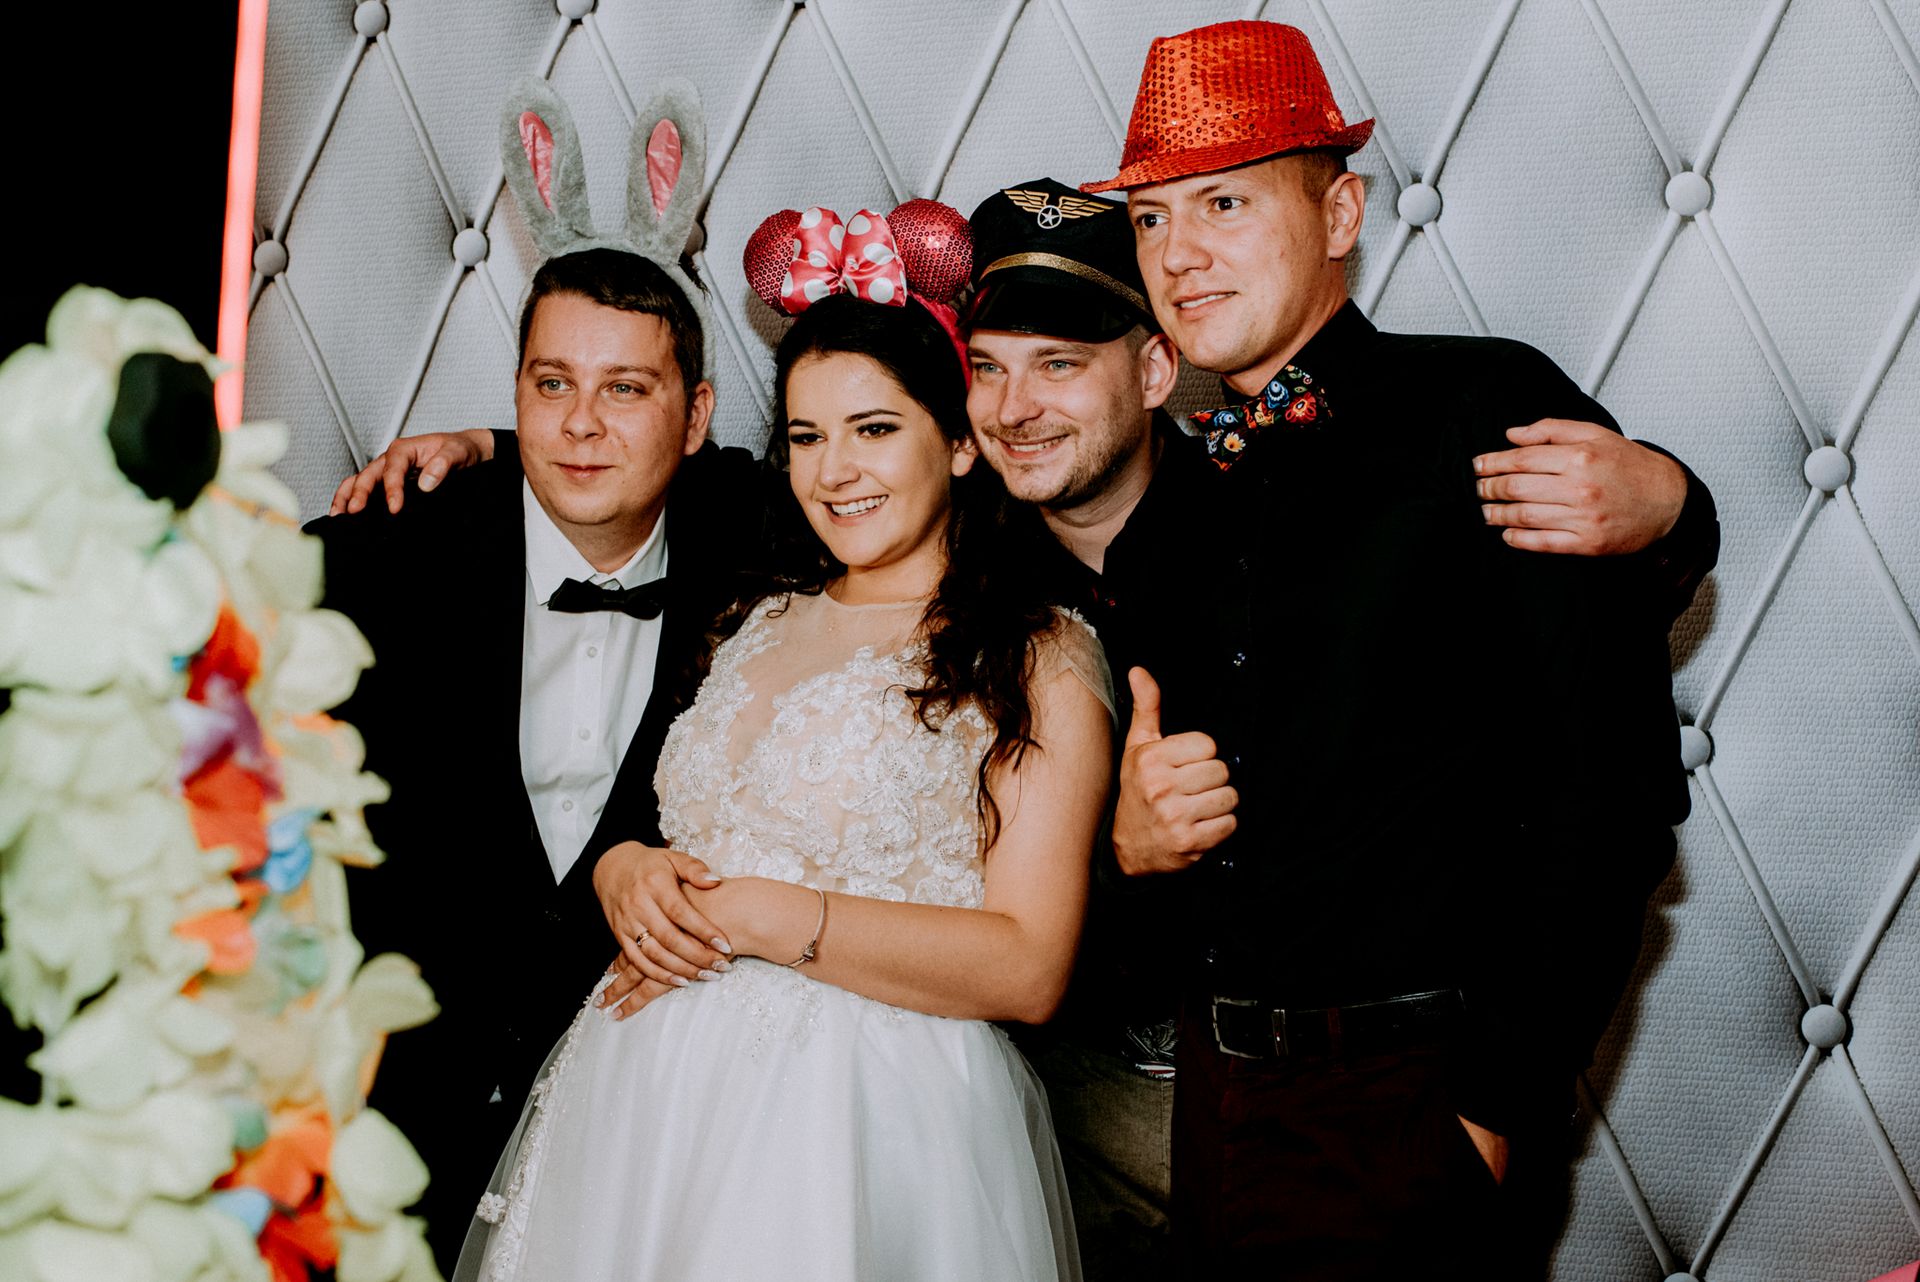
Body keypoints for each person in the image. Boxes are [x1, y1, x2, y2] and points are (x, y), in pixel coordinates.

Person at [333, 182, 1716, 1281]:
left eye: (1060, 363)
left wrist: (1673, 506)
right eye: (990, 369)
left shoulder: (1259, 519)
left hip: (1266, 1103)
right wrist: (490, 451)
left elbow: (1544, 762)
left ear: (1154, 368)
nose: (1017, 405)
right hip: (899, 1101)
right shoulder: (826, 547)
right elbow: (653, 449)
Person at [1077, 19, 1706, 1278]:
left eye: (1223, 203)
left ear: (1340, 212)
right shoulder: (1165, 526)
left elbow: (1614, 792)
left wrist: (1492, 1104)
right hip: (1214, 1111)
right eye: (1150, 218)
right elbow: (1156, 913)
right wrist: (1132, 851)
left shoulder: (1488, 412)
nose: (1178, 253)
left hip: (1415, 1110)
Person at [455, 210, 1113, 1279]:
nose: (834, 471)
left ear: (959, 442)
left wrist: (770, 916)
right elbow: (676, 819)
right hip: (639, 1107)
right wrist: (626, 869)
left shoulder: (1034, 653)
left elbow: (1030, 964)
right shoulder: (751, 615)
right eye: (806, 437)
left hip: (862, 1121)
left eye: (874, 429)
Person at [304, 246, 760, 1270]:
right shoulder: (373, 559)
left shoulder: (755, 543)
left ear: (694, 416)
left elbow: (876, 478)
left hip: (618, 1118)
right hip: (377, 1107)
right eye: (552, 385)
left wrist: (493, 441)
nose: (581, 423)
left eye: (625, 389)